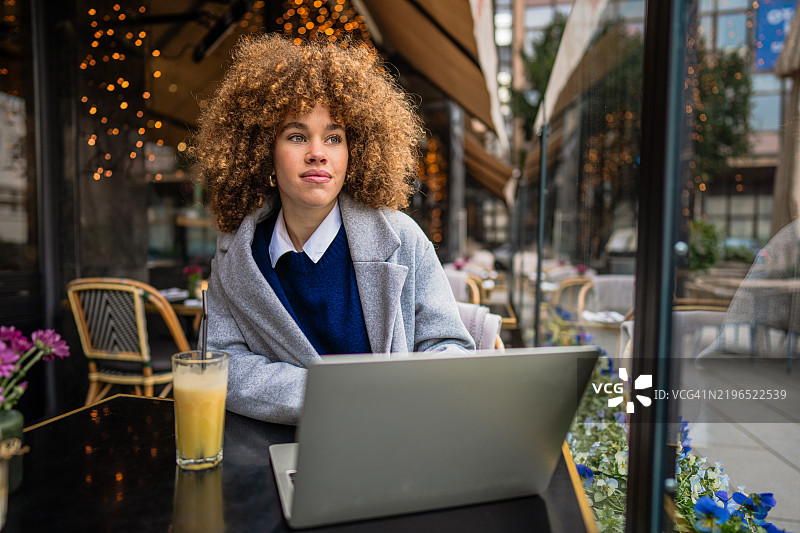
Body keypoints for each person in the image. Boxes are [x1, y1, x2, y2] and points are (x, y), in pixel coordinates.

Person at [191, 34, 475, 425]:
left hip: (389, 447)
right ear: (262, 152)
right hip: (275, 453)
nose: (317, 152)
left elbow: (451, 347)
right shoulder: (236, 254)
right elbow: (222, 365)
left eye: (334, 137)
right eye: (296, 136)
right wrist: (336, 397)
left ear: (354, 152)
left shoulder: (403, 238)